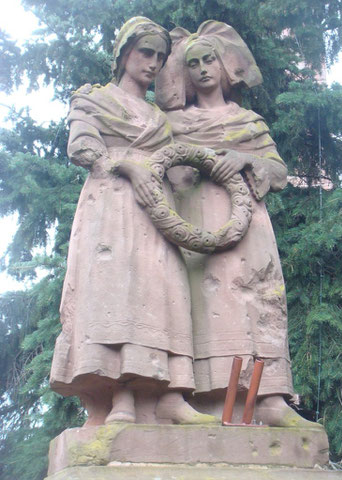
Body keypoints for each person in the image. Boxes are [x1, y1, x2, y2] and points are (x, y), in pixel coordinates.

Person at [50, 17, 217, 426]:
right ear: (125, 53)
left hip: (157, 212)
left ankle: (169, 393)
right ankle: (119, 395)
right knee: (115, 292)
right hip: (111, 204)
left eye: (160, 57)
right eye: (146, 52)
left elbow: (177, 172)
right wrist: (129, 165)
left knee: (163, 291)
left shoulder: (160, 119)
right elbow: (83, 147)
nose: (154, 63)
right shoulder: (93, 98)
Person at [156, 21, 317, 427]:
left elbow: (277, 172)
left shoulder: (248, 120)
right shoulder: (174, 124)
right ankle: (207, 400)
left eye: (209, 59)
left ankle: (271, 399)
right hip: (197, 225)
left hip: (250, 228)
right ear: (185, 73)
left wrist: (246, 159)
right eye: (193, 63)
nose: (203, 69)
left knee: (260, 302)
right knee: (209, 306)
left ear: (223, 64)